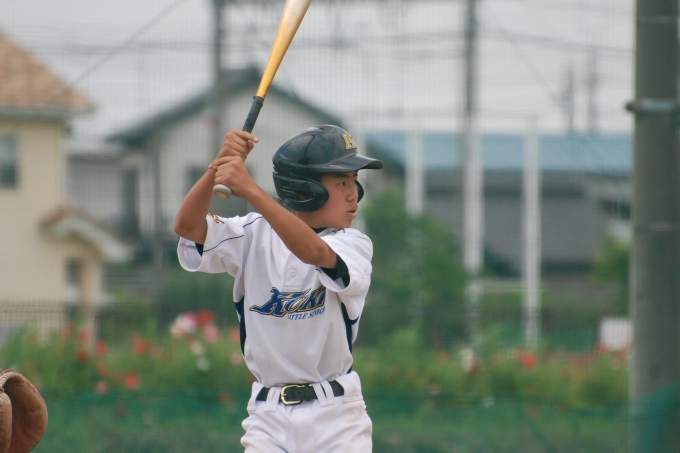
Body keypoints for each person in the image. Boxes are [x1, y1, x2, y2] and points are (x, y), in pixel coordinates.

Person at [173, 124, 383, 452]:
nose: (353, 193)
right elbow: (187, 226)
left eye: (354, 180)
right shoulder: (251, 234)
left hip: (337, 418)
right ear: (303, 189)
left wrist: (251, 190)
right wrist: (219, 165)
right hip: (268, 417)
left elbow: (312, 252)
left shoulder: (352, 243)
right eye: (341, 182)